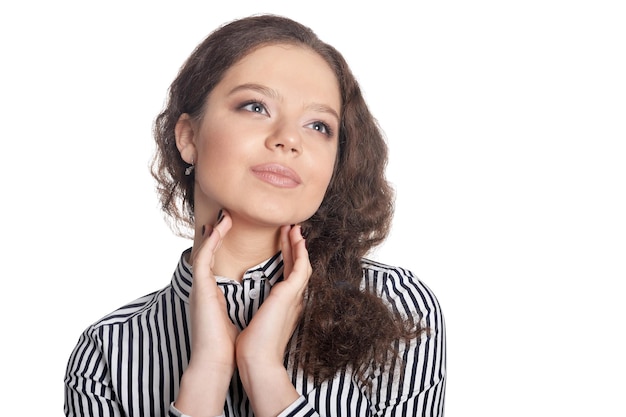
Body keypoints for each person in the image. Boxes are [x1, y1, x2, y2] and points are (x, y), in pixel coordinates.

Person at [64, 14, 446, 417]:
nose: (289, 139)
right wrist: (207, 373)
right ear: (189, 137)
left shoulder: (400, 310)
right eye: (256, 106)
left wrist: (264, 372)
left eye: (318, 125)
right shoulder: (107, 355)